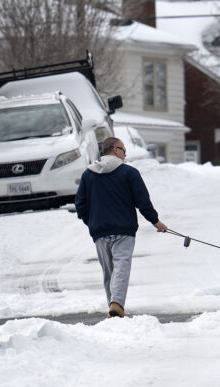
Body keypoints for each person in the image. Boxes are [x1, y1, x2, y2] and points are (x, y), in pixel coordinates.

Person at [73, 136, 167, 318]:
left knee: (109, 272)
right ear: (115, 150)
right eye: (124, 150)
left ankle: (114, 307)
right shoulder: (129, 173)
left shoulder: (88, 174)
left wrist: (92, 222)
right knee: (122, 266)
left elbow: (80, 204)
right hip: (124, 230)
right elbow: (143, 202)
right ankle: (116, 305)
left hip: (100, 231)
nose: (125, 154)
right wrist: (156, 222)